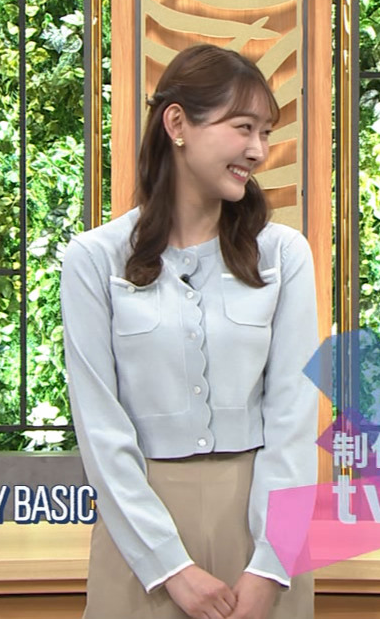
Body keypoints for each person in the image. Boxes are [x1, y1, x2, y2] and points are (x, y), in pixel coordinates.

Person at [61, 44, 320, 619]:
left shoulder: (283, 255)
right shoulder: (94, 259)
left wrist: (271, 564)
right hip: (141, 537)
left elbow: (293, 419)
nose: (257, 150)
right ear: (177, 124)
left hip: (260, 525)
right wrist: (169, 567)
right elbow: (100, 428)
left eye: (265, 133)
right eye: (243, 128)